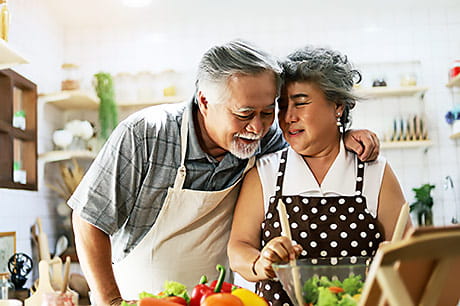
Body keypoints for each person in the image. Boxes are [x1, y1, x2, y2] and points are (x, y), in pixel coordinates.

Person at [68, 40, 380, 306]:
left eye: (268, 112)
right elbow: (88, 219)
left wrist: (344, 135)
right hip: (140, 298)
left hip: (215, 297)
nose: (257, 128)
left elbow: (309, 136)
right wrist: (111, 301)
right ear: (205, 101)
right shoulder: (145, 136)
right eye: (244, 114)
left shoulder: (264, 138)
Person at [227, 45, 410, 305]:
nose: (288, 116)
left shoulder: (373, 170)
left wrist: (396, 257)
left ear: (338, 106)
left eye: (301, 103)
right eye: (282, 105)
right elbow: (238, 248)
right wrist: (260, 262)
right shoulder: (265, 172)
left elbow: (409, 252)